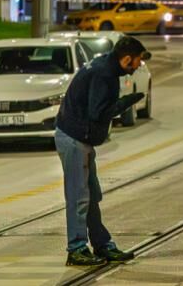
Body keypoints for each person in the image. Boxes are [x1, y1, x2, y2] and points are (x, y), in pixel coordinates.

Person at [54, 35, 150, 266]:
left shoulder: (105, 67)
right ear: (126, 59)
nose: (138, 67)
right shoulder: (104, 75)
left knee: (91, 195)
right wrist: (126, 103)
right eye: (137, 61)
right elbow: (98, 112)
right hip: (75, 138)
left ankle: (101, 244)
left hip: (80, 138)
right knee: (79, 197)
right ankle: (76, 248)